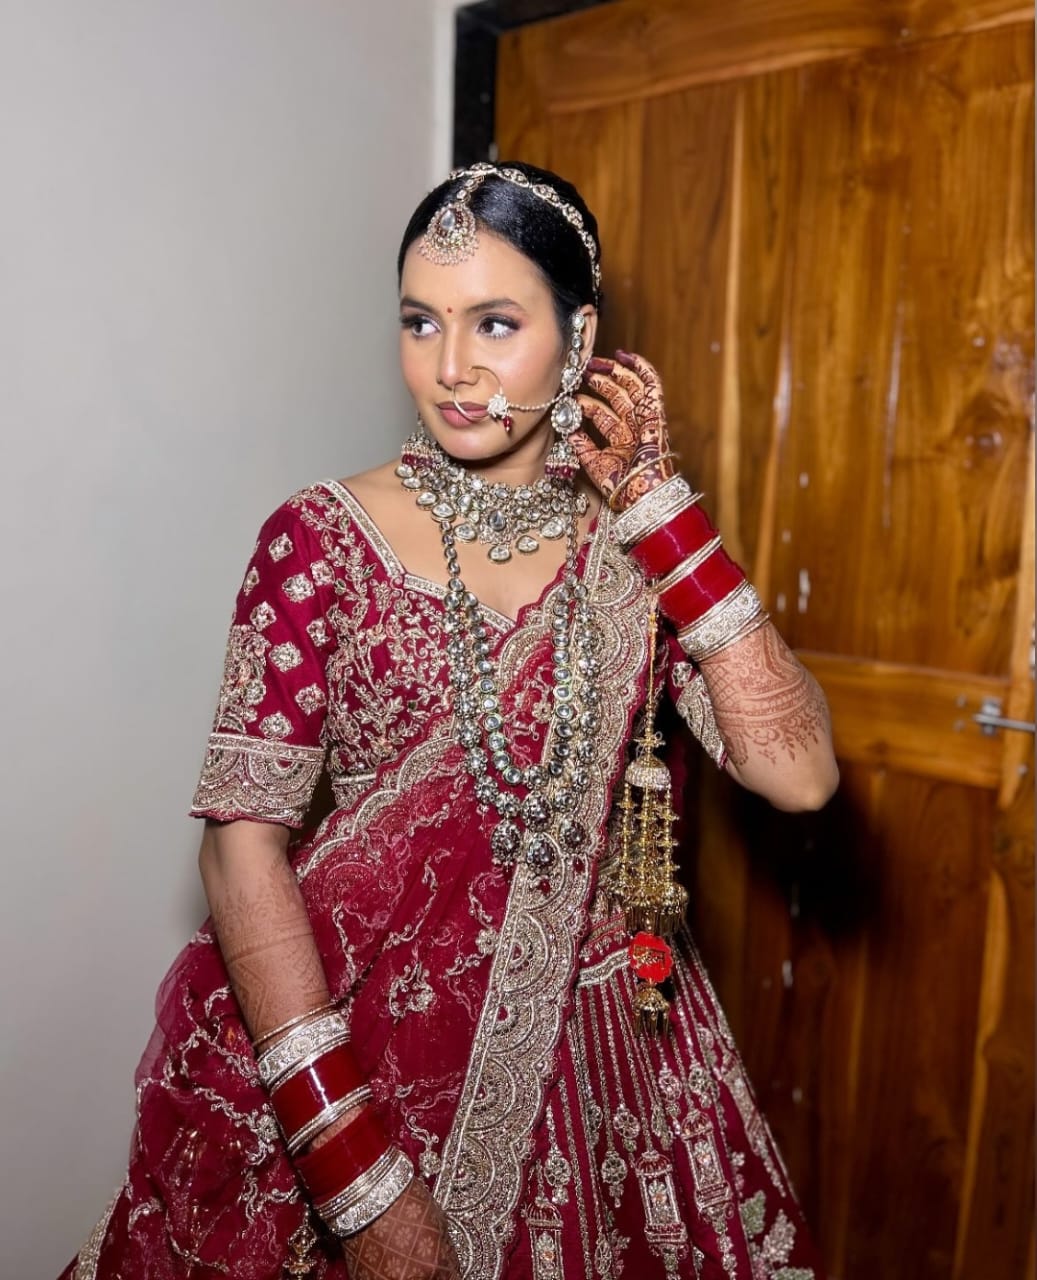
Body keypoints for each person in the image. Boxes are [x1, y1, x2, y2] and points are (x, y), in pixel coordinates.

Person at [61, 161, 838, 1280]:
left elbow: (797, 775)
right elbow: (239, 851)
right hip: (375, 1055)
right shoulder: (320, 540)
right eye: (420, 321)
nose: (450, 367)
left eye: (495, 323)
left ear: (578, 339)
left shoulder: (633, 553)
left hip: (617, 1052)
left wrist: (662, 519)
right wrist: (353, 1171)